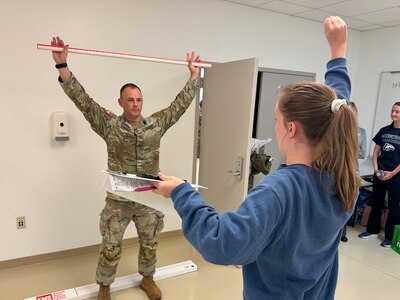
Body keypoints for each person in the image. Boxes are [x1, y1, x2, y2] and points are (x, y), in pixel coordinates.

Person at [150, 16, 360, 300]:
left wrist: (181, 192)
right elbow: (338, 106)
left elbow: (222, 245)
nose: (274, 124)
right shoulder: (344, 175)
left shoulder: (278, 191)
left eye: (276, 119)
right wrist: (339, 52)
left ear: (291, 128)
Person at [50, 36, 200, 300]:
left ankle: (148, 279)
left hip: (148, 198)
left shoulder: (155, 124)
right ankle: (104, 287)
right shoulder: (109, 125)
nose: (135, 104)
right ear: (121, 102)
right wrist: (62, 66)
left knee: (150, 243)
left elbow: (179, 107)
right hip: (119, 199)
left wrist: (193, 78)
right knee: (110, 245)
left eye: (139, 100)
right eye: (130, 100)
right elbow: (83, 101)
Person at [358, 101, 400, 248]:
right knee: (377, 202)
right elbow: (376, 152)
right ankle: (372, 231)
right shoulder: (384, 130)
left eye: (397, 112)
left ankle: (389, 237)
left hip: (396, 176)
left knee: (394, 207)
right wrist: (376, 169)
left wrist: (392, 173)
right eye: (393, 111)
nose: (394, 114)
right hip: (380, 173)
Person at [341, 101, 367, 242]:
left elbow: (363, 153)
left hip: (352, 170)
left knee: (349, 202)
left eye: (352, 112)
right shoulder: (337, 130)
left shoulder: (361, 132)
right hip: (338, 169)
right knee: (337, 201)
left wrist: (349, 151)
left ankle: (343, 232)